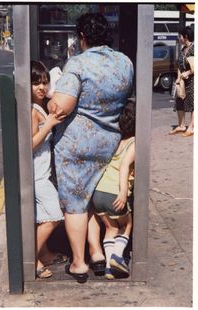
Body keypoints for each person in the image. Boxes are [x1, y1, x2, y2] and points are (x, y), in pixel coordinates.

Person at [47, 13, 134, 283]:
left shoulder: (79, 63)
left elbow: (61, 107)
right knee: (94, 199)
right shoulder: (124, 61)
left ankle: (79, 262)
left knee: (75, 204)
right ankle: (97, 252)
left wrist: (52, 95)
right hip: (110, 141)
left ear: (82, 37)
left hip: (76, 145)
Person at [31, 61, 67, 278]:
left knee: (44, 216)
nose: (41, 88)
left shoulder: (40, 107)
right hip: (36, 176)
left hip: (42, 173)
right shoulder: (33, 111)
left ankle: (44, 254)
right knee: (54, 215)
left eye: (44, 82)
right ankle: (31, 257)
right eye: (36, 83)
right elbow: (30, 143)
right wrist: (49, 124)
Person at [92, 99, 135, 279]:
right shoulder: (135, 143)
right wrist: (123, 192)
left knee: (110, 229)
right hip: (113, 192)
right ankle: (118, 256)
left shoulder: (117, 141)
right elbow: (124, 166)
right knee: (127, 224)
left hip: (98, 193)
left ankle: (110, 269)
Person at [169, 26, 194, 137]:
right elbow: (179, 65)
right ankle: (181, 125)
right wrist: (178, 79)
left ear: (186, 37)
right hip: (183, 81)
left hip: (193, 81)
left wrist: (188, 73)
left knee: (193, 104)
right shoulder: (183, 49)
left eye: (180, 36)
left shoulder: (194, 49)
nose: (178, 38)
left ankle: (191, 127)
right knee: (179, 100)